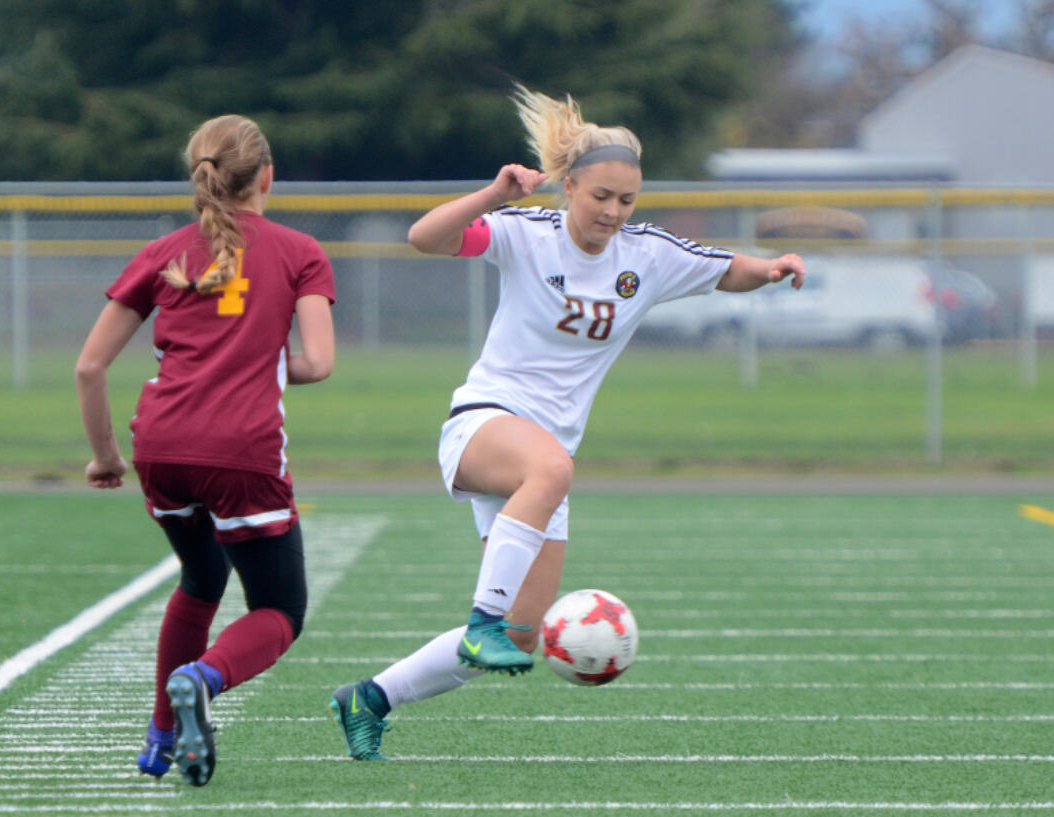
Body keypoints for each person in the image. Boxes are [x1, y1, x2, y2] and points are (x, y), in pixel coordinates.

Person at [328, 84, 804, 760]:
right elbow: (424, 237)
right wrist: (495, 194)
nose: (612, 211)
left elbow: (728, 269)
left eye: (626, 200)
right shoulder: (527, 234)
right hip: (485, 423)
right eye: (600, 196)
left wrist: (775, 268)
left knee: (522, 635)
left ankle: (369, 697)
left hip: (542, 470)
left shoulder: (646, 256)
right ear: (570, 186)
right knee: (548, 476)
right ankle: (479, 618)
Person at [75, 114, 335, 786]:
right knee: (280, 610)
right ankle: (202, 678)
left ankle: (162, 734)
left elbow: (89, 368)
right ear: (267, 176)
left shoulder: (164, 251)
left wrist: (105, 456)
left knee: (201, 578)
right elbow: (319, 362)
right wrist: (259, 359)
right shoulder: (300, 249)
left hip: (161, 444)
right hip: (242, 450)